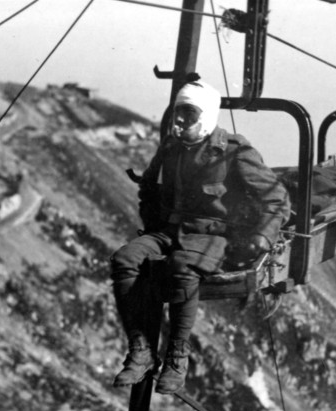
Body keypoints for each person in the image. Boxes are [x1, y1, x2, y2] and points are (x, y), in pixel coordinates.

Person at [110, 78, 290, 394]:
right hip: (170, 230)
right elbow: (149, 187)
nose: (179, 123)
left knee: (181, 268)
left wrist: (262, 236)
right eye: (177, 114)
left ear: (206, 116)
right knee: (125, 259)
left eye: (188, 115)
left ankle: (177, 357)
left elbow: (277, 198)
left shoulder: (233, 152)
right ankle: (141, 349)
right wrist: (152, 223)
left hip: (214, 236)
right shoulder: (171, 150)